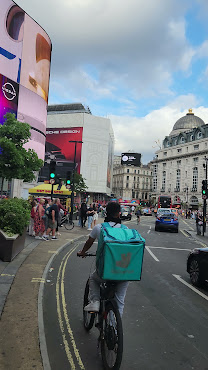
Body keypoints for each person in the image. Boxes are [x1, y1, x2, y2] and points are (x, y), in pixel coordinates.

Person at [77, 202, 129, 317]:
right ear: (119, 214)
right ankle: (114, 329)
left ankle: (95, 301)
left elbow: (89, 242)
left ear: (106, 213)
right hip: (123, 272)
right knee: (120, 302)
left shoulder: (99, 228)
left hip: (105, 272)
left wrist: (83, 252)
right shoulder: (125, 229)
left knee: (93, 279)